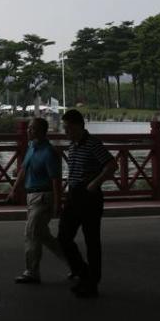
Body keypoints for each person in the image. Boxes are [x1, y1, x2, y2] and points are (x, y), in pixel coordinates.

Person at [57, 109, 116, 298]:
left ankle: (91, 282)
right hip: (73, 194)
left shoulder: (93, 144)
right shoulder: (72, 146)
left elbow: (111, 165)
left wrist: (95, 183)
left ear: (78, 126)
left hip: (89, 196)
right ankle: (84, 273)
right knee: (63, 237)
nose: (65, 132)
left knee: (92, 241)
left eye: (68, 128)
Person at [7, 117, 67, 284]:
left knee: (31, 233)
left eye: (32, 129)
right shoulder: (32, 147)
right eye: (29, 128)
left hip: (43, 197)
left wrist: (57, 202)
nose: (29, 131)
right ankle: (75, 264)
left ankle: (32, 271)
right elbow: (23, 170)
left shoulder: (49, 152)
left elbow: (55, 180)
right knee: (44, 236)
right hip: (31, 196)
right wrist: (13, 191)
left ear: (42, 131)